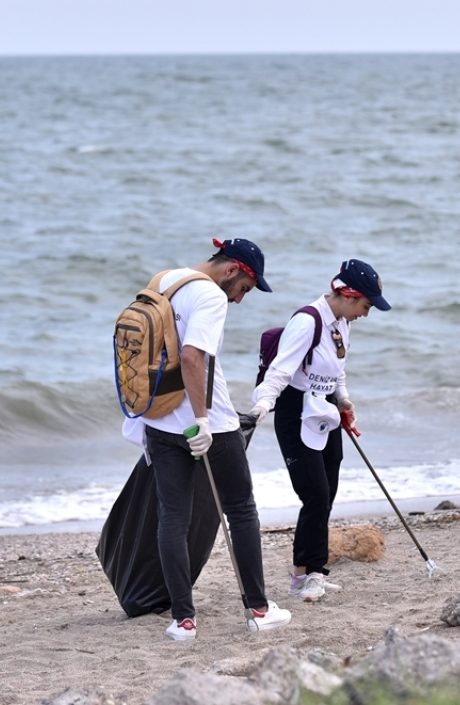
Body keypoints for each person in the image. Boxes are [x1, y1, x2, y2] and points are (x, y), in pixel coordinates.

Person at [142, 238, 291, 641]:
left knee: (173, 516)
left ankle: (183, 621)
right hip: (211, 424)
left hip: (159, 419)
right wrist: (202, 421)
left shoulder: (164, 281)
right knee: (241, 510)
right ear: (232, 270)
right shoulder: (210, 295)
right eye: (244, 288)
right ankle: (258, 609)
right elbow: (192, 357)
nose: (240, 298)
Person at [248, 259, 391, 602]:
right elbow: (280, 371)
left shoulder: (342, 322)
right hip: (295, 410)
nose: (367, 313)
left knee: (328, 490)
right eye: (367, 305)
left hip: (325, 408)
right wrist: (262, 405)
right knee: (315, 494)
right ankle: (303, 576)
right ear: (350, 295)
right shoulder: (307, 321)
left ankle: (312, 572)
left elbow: (337, 369)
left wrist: (343, 399)